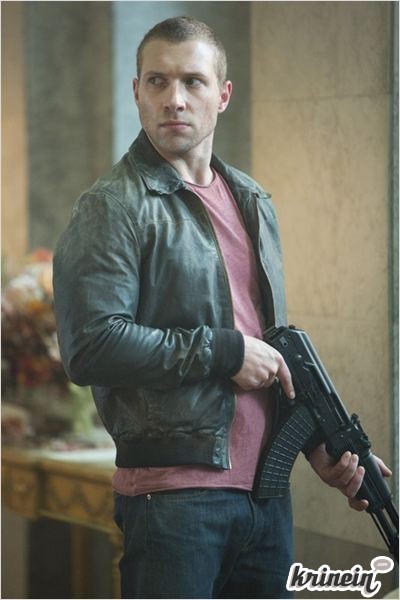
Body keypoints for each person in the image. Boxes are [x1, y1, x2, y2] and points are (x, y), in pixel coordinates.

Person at [53, 16, 391, 599]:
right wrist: (224, 351)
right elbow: (91, 346)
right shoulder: (111, 206)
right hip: (173, 499)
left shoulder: (253, 199)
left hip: (267, 497)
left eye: (192, 81)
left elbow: (273, 348)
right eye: (157, 81)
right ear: (137, 91)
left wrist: (318, 443)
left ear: (223, 94)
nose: (174, 99)